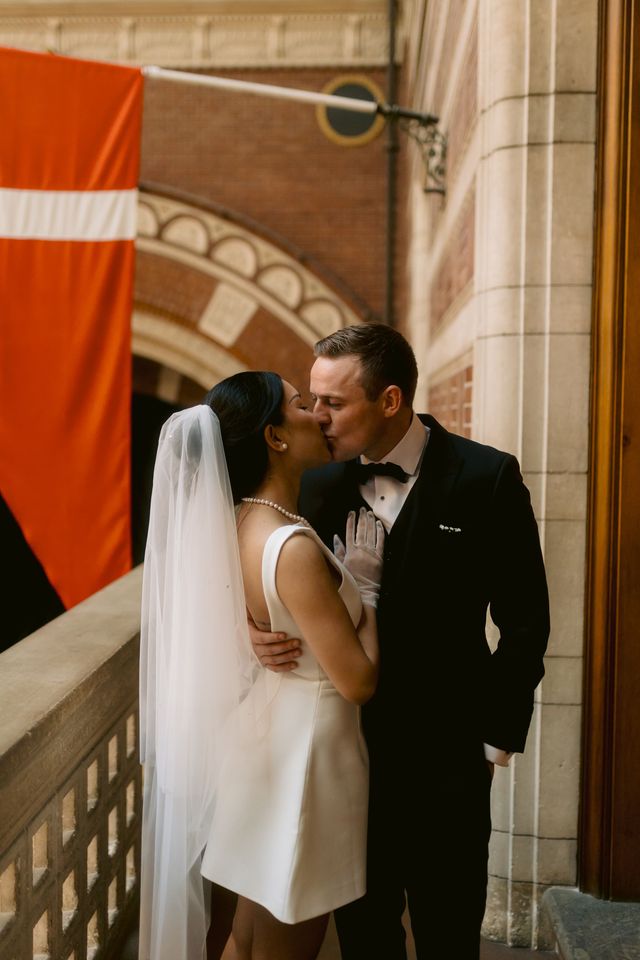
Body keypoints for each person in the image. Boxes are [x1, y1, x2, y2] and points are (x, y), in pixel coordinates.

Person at [250, 324, 550, 960]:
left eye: (334, 403)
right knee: (364, 934)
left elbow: (525, 621)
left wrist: (493, 741)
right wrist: (255, 628)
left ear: (389, 400)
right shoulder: (315, 488)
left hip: (451, 757)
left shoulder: (486, 476)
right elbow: (268, 574)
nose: (318, 416)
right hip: (349, 752)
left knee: (448, 929)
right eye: (312, 400)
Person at [138, 371, 384, 960]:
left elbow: (218, 609)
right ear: (274, 437)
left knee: (245, 937)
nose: (317, 414)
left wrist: (247, 629)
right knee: (286, 943)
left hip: (262, 743)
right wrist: (369, 591)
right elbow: (357, 681)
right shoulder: (291, 546)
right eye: (302, 404)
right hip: (307, 760)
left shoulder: (240, 522)